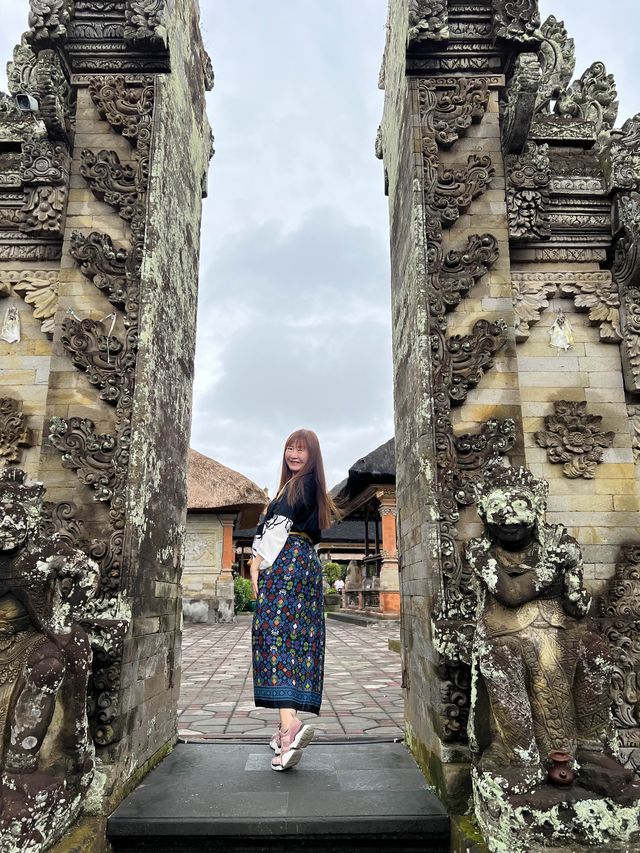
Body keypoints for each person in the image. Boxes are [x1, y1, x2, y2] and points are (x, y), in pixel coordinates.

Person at [250, 429, 341, 771]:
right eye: (290, 447)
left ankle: (290, 729)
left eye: (302, 449)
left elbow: (278, 529)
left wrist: (257, 563)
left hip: (286, 563)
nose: (294, 453)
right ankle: (284, 726)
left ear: (312, 455)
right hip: (306, 566)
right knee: (292, 641)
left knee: (272, 638)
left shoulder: (296, 487)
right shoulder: (310, 487)